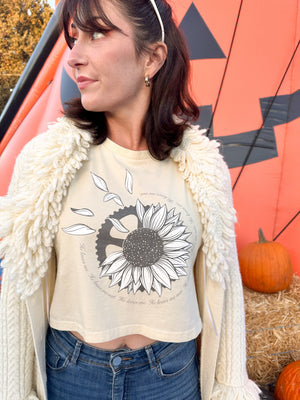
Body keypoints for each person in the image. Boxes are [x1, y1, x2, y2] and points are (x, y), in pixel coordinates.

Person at [0, 0, 262, 399]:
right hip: (71, 375)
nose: (74, 58)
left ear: (152, 58)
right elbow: (18, 296)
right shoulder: (45, 163)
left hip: (171, 379)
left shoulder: (204, 169)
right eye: (74, 39)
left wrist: (230, 387)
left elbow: (224, 295)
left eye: (97, 33)